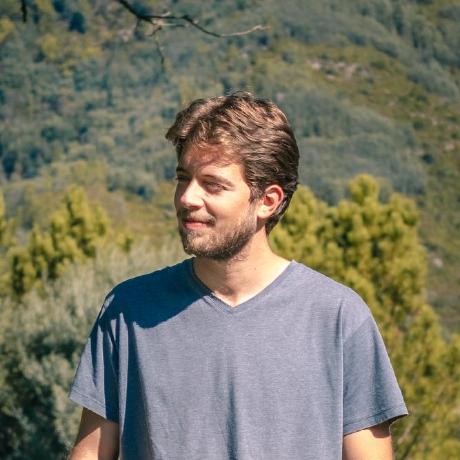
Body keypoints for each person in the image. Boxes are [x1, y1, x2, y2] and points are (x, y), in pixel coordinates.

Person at [68, 92, 408, 460]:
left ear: (268, 201)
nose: (187, 198)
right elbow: (90, 453)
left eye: (212, 184)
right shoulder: (128, 310)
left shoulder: (338, 317)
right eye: (183, 178)